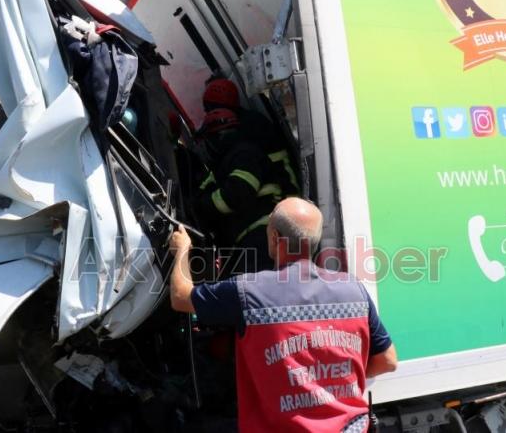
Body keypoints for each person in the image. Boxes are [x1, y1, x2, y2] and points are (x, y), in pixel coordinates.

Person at [169, 197, 398, 433]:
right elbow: (388, 360)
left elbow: (180, 296)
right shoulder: (354, 290)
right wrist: (331, 383)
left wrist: (183, 250)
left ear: (275, 238)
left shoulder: (248, 293)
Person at [195, 108, 286, 274]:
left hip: (261, 234)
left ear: (218, 137)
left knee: (249, 292)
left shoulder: (244, 154)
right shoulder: (229, 160)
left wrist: (202, 205)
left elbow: (235, 195)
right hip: (251, 236)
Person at [203, 77, 299, 196]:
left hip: (278, 188)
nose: (207, 113)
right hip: (282, 183)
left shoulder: (239, 129)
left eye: (208, 108)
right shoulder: (252, 119)